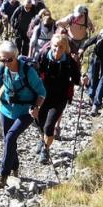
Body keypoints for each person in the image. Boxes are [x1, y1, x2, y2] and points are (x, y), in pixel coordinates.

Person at [0, 41, 46, 188]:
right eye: (2, 60)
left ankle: (3, 175)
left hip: (26, 111)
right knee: (9, 140)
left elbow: (41, 92)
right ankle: (15, 166)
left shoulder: (28, 71)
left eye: (9, 59)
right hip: (6, 110)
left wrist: (37, 107)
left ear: (16, 56)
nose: (6, 63)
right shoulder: (2, 70)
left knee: (10, 137)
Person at [34, 34, 81, 164]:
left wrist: (83, 79)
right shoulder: (43, 57)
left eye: (61, 47)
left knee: (49, 125)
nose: (57, 49)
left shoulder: (69, 62)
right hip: (43, 96)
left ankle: (45, 150)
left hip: (60, 98)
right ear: (51, 45)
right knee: (40, 122)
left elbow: (77, 79)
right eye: (55, 46)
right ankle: (42, 140)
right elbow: (34, 72)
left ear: (65, 48)